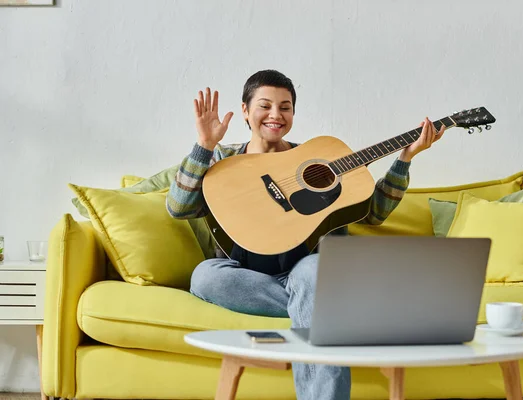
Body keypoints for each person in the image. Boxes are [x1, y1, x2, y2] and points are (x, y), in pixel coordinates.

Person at [166, 69, 445, 400]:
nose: (276, 115)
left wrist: (405, 158)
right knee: (204, 277)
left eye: (285, 107)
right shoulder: (223, 159)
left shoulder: (323, 158)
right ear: (244, 110)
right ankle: (320, 306)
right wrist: (203, 145)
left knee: (314, 274)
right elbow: (179, 207)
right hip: (243, 274)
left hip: (308, 266)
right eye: (265, 105)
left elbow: (374, 214)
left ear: (294, 114)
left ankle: (316, 303)